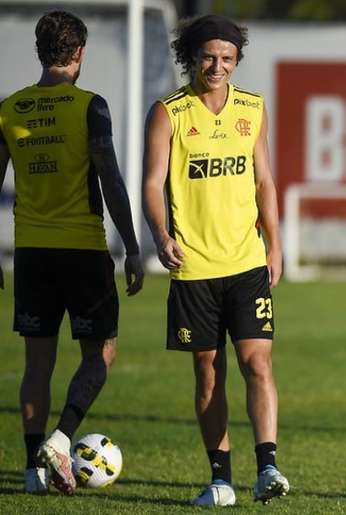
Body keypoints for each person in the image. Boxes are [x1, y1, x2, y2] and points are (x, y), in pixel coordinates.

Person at [142, 14, 288, 506]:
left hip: (245, 262)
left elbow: (265, 180)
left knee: (258, 363)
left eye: (227, 58)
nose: (217, 66)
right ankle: (221, 478)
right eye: (209, 56)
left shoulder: (253, 108)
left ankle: (267, 466)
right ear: (192, 57)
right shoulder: (169, 112)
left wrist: (276, 243)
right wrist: (160, 236)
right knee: (208, 372)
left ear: (237, 60)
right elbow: (151, 182)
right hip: (194, 268)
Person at [0, 11, 144, 496]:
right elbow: (110, 177)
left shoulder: (10, 109)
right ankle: (61, 439)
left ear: (39, 52)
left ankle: (31, 471)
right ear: (79, 53)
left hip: (32, 254)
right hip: (82, 249)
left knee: (37, 362)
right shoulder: (90, 107)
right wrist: (132, 246)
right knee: (100, 354)